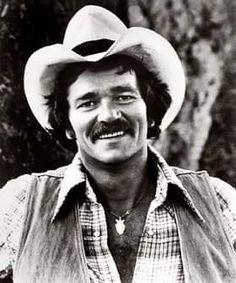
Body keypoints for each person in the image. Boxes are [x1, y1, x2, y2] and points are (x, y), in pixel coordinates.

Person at [0, 5, 236, 283]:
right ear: (66, 124)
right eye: (88, 102)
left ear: (150, 111)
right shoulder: (21, 204)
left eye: (124, 96)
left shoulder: (220, 204)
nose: (109, 115)